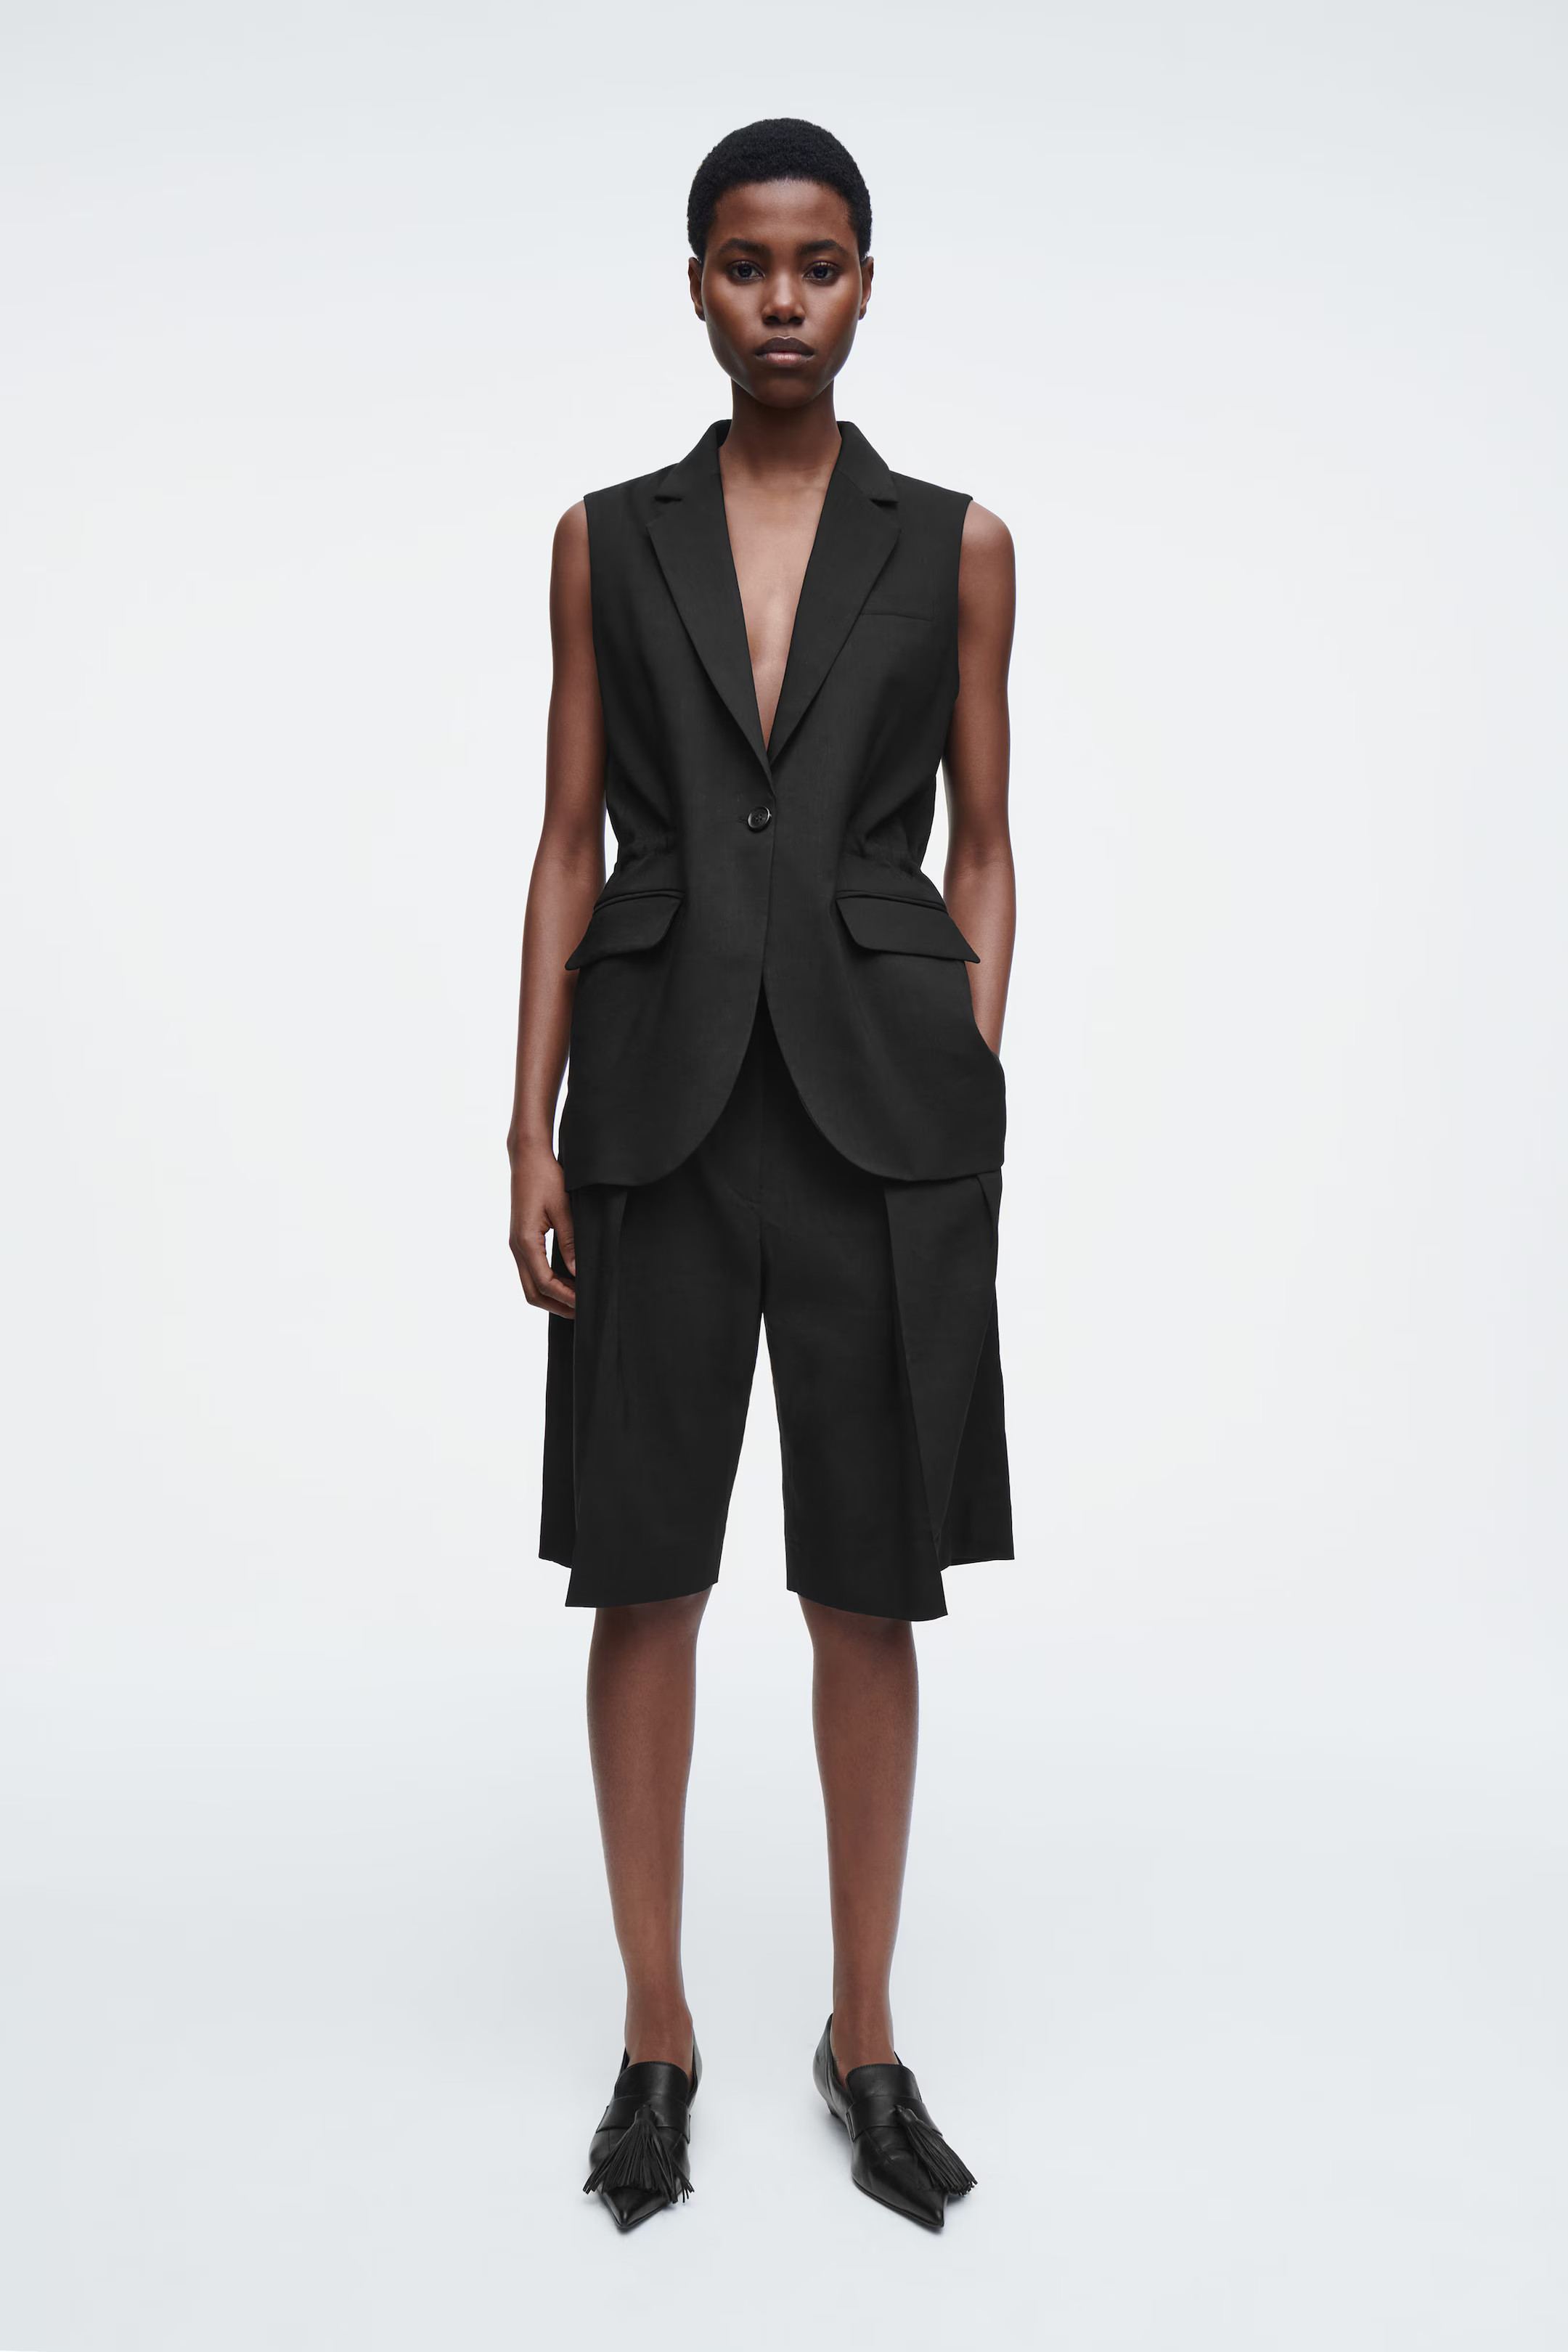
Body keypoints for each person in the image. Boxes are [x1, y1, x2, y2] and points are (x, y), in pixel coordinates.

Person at [507, 118, 1016, 2233]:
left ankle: (864, 2037)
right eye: (744, 263)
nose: (781, 298)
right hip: (654, 1105)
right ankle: (658, 2034)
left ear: (868, 281)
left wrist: (966, 1064)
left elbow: (987, 840)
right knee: (643, 1570)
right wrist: (524, 1118)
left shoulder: (960, 543)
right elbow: (568, 838)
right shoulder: (605, 539)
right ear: (698, 285)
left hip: (886, 1120)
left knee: (866, 1581)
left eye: (818, 263)